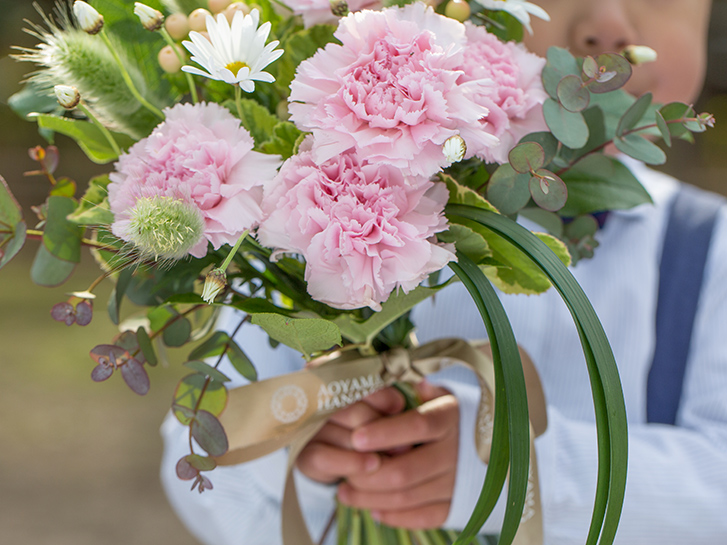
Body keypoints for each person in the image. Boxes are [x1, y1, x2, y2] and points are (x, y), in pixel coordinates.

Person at [160, 0, 727, 543]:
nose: (605, 25)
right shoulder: (327, 211)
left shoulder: (709, 250)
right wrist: (314, 460)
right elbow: (201, 471)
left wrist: (509, 469)